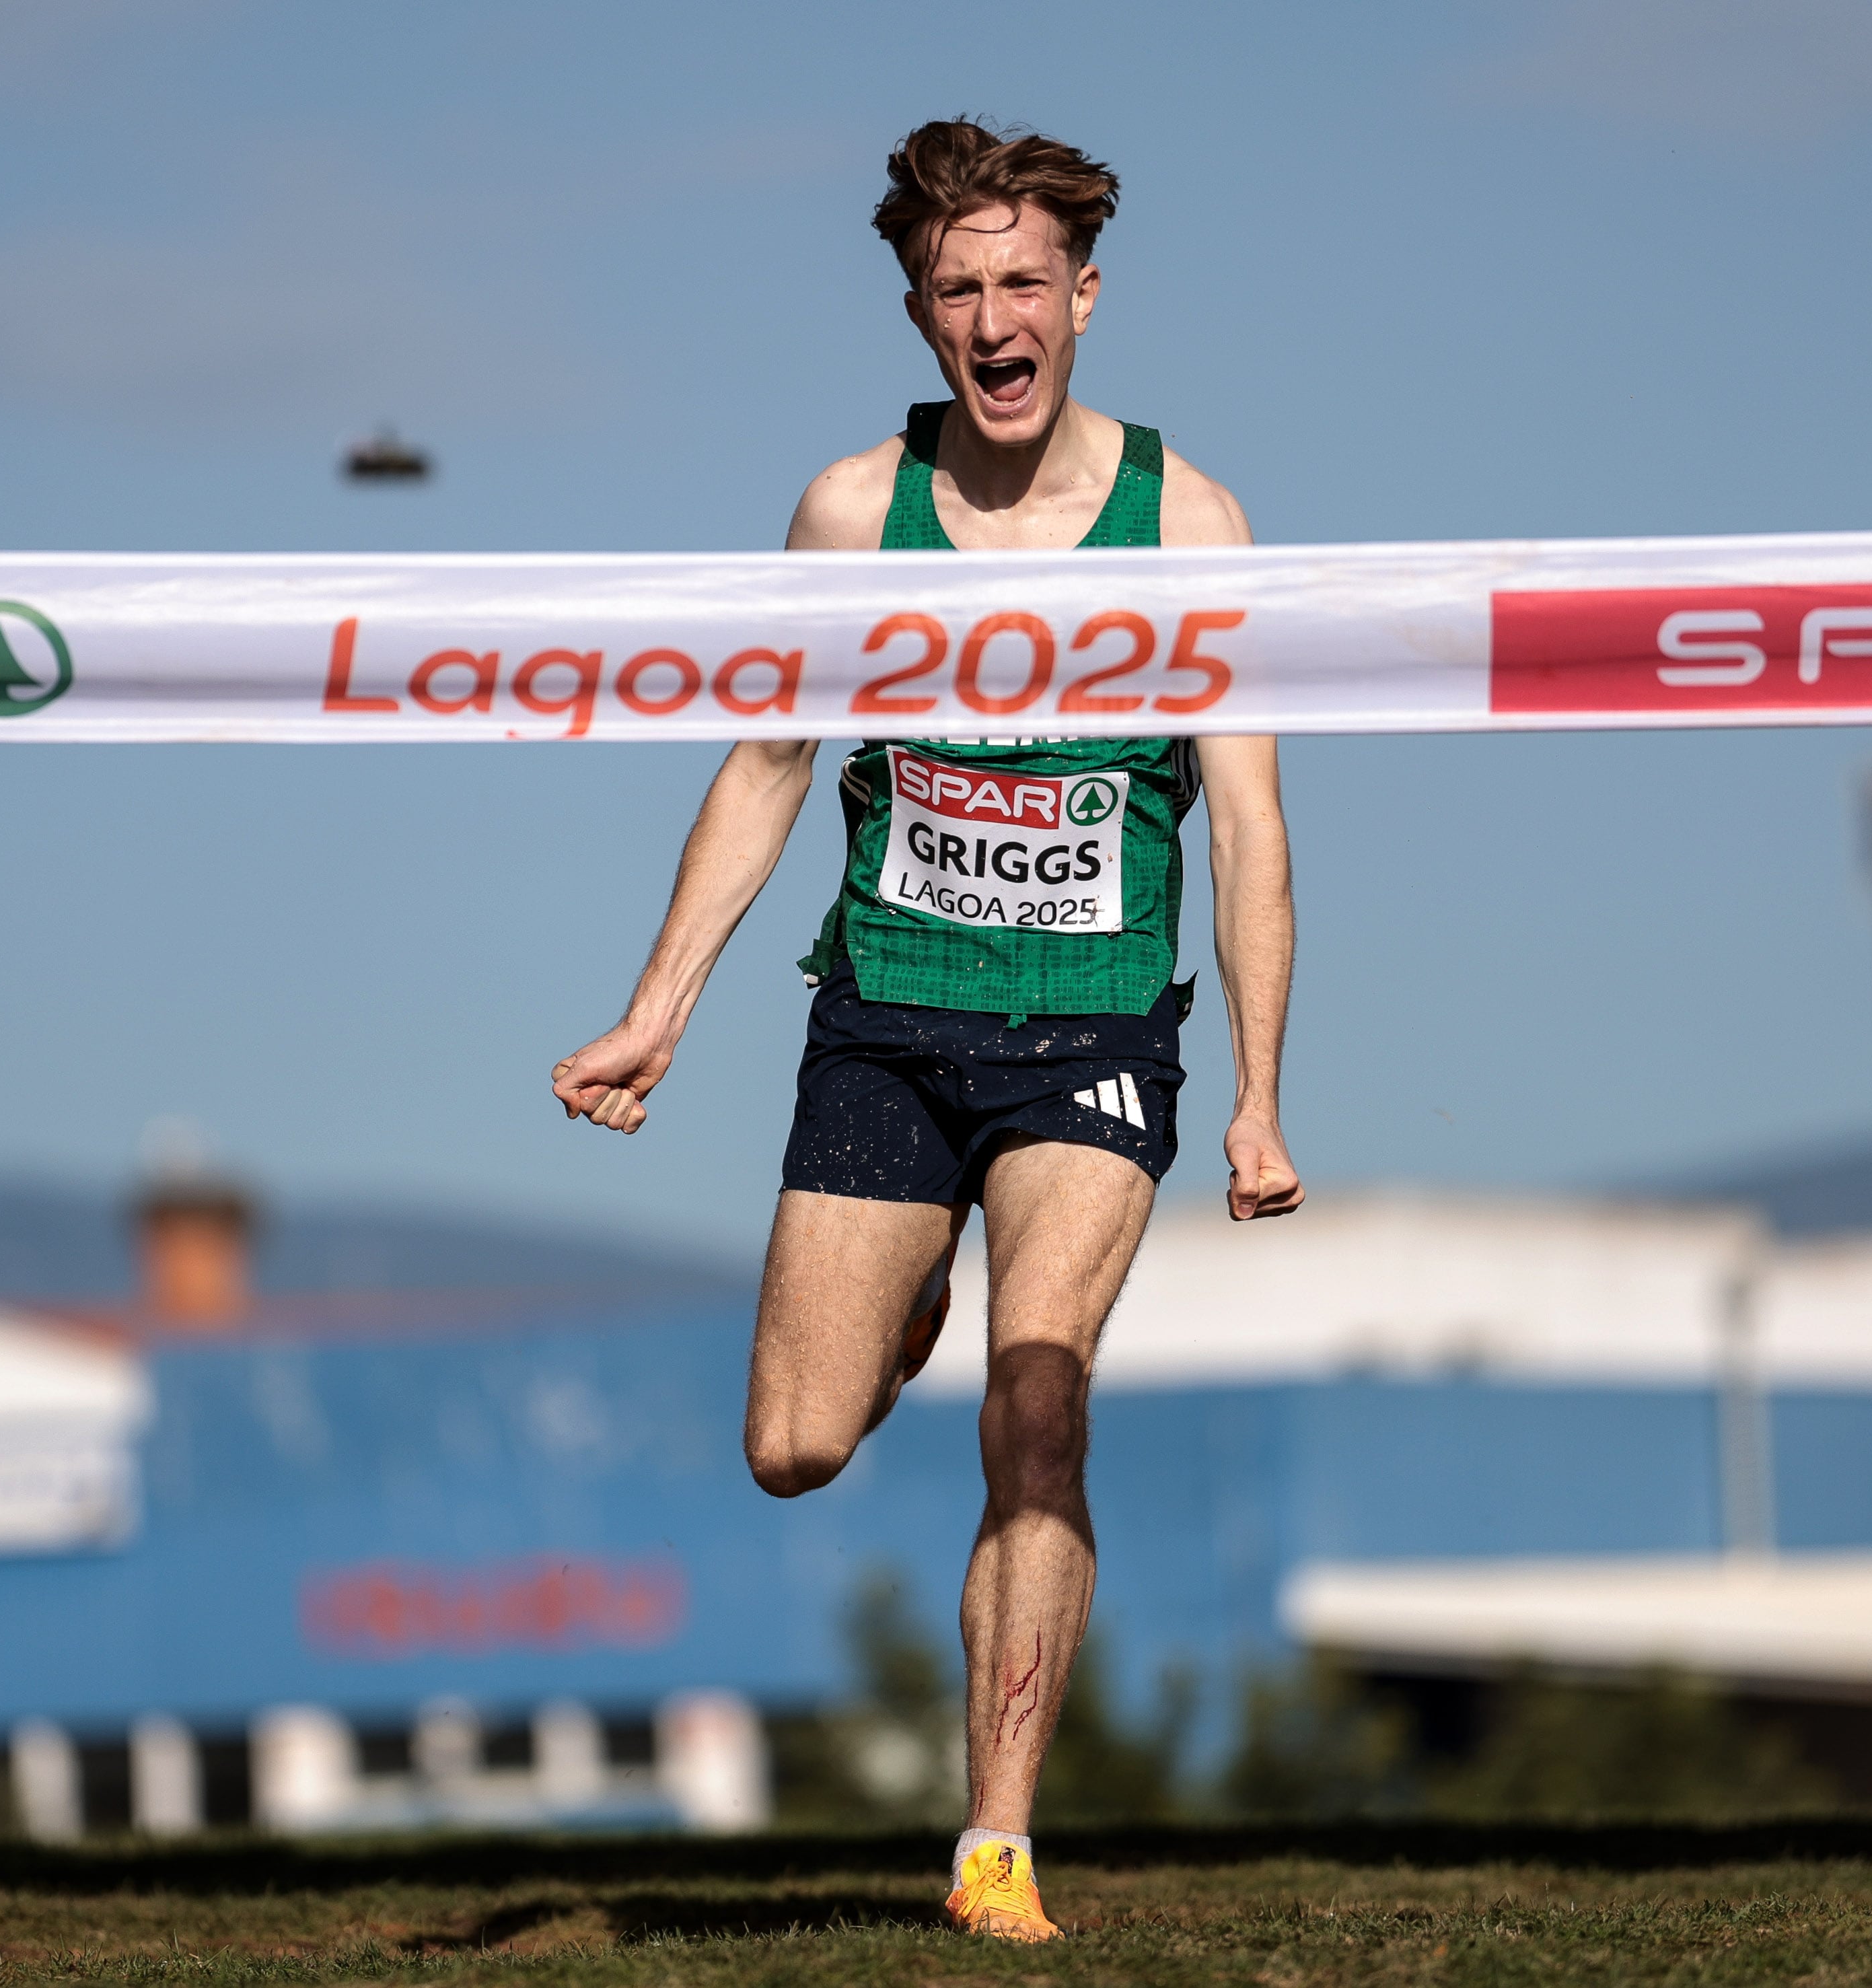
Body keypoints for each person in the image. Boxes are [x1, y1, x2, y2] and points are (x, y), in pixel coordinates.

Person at [551, 117, 1301, 1942]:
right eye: (957, 288)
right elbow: (765, 762)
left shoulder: (1185, 523)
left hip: (1094, 1033)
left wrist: (1263, 1099)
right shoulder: (849, 512)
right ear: (917, 311)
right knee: (794, 1444)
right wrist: (658, 1009)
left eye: (1023, 281)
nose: (994, 317)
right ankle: (903, 1303)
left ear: (1085, 296)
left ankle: (995, 1843)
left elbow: (1254, 817)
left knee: (1038, 1410)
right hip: (886, 1021)